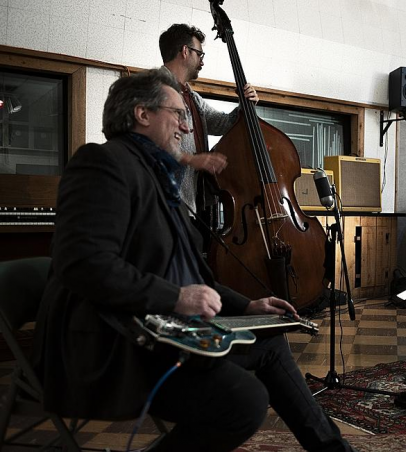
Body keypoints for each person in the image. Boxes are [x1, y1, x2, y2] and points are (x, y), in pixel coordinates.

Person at [32, 69, 354, 452]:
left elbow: (188, 275)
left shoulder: (157, 176)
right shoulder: (102, 163)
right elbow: (84, 264)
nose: (186, 127)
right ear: (142, 114)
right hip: (115, 346)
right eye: (178, 114)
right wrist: (178, 299)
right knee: (243, 401)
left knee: (271, 342)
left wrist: (247, 305)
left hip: (162, 333)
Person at [159, 23, 259, 214]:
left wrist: (245, 105)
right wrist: (192, 159)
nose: (202, 62)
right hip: (166, 204)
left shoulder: (193, 97)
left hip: (193, 201)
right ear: (185, 51)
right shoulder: (154, 88)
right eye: (200, 54)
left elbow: (224, 124)